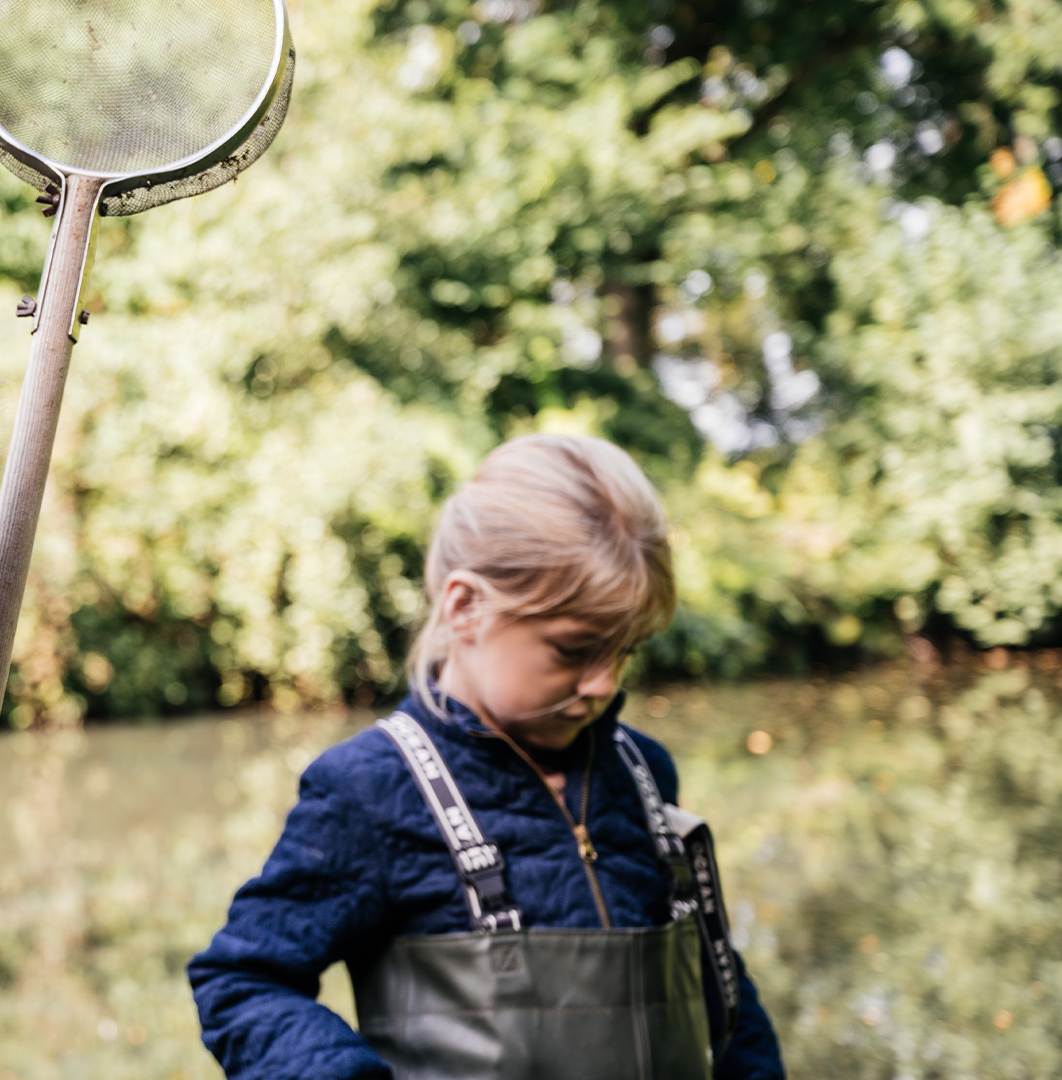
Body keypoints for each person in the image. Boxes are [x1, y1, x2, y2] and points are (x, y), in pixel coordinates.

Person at [189, 434, 784, 1080]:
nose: (605, 683)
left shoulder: (643, 772)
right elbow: (243, 980)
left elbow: (721, 996)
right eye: (574, 650)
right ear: (467, 607)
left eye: (626, 651)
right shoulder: (368, 791)